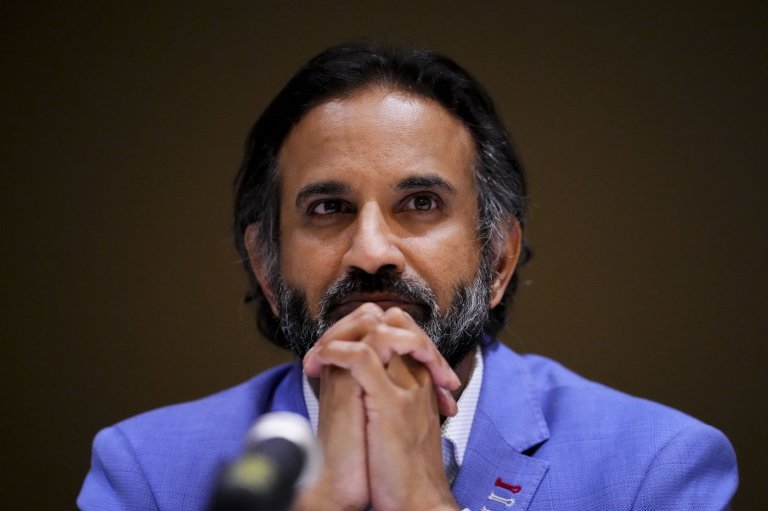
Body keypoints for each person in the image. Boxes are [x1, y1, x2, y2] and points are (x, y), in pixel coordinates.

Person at [78, 41, 738, 511]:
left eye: (421, 203)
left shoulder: (657, 467)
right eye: (328, 208)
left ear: (499, 258)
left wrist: (424, 499)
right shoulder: (145, 471)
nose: (372, 253)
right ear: (266, 265)